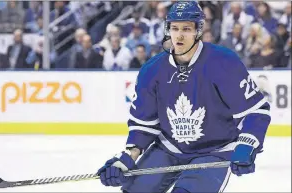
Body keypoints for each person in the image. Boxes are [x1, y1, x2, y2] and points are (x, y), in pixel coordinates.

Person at [97, 1, 271, 193]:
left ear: (198, 30)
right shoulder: (152, 70)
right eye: (175, 28)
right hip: (169, 148)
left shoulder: (224, 62)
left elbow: (256, 111)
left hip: (215, 151)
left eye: (186, 29)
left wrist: (247, 144)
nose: (179, 35)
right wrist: (127, 157)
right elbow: (144, 124)